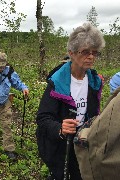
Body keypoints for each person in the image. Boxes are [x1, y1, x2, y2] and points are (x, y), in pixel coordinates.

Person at [36, 22, 105, 180]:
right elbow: (43, 117)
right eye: (85, 52)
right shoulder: (58, 82)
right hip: (62, 145)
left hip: (83, 143)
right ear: (71, 53)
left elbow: (94, 113)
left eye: (95, 52)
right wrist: (60, 127)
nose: (91, 57)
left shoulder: (94, 81)